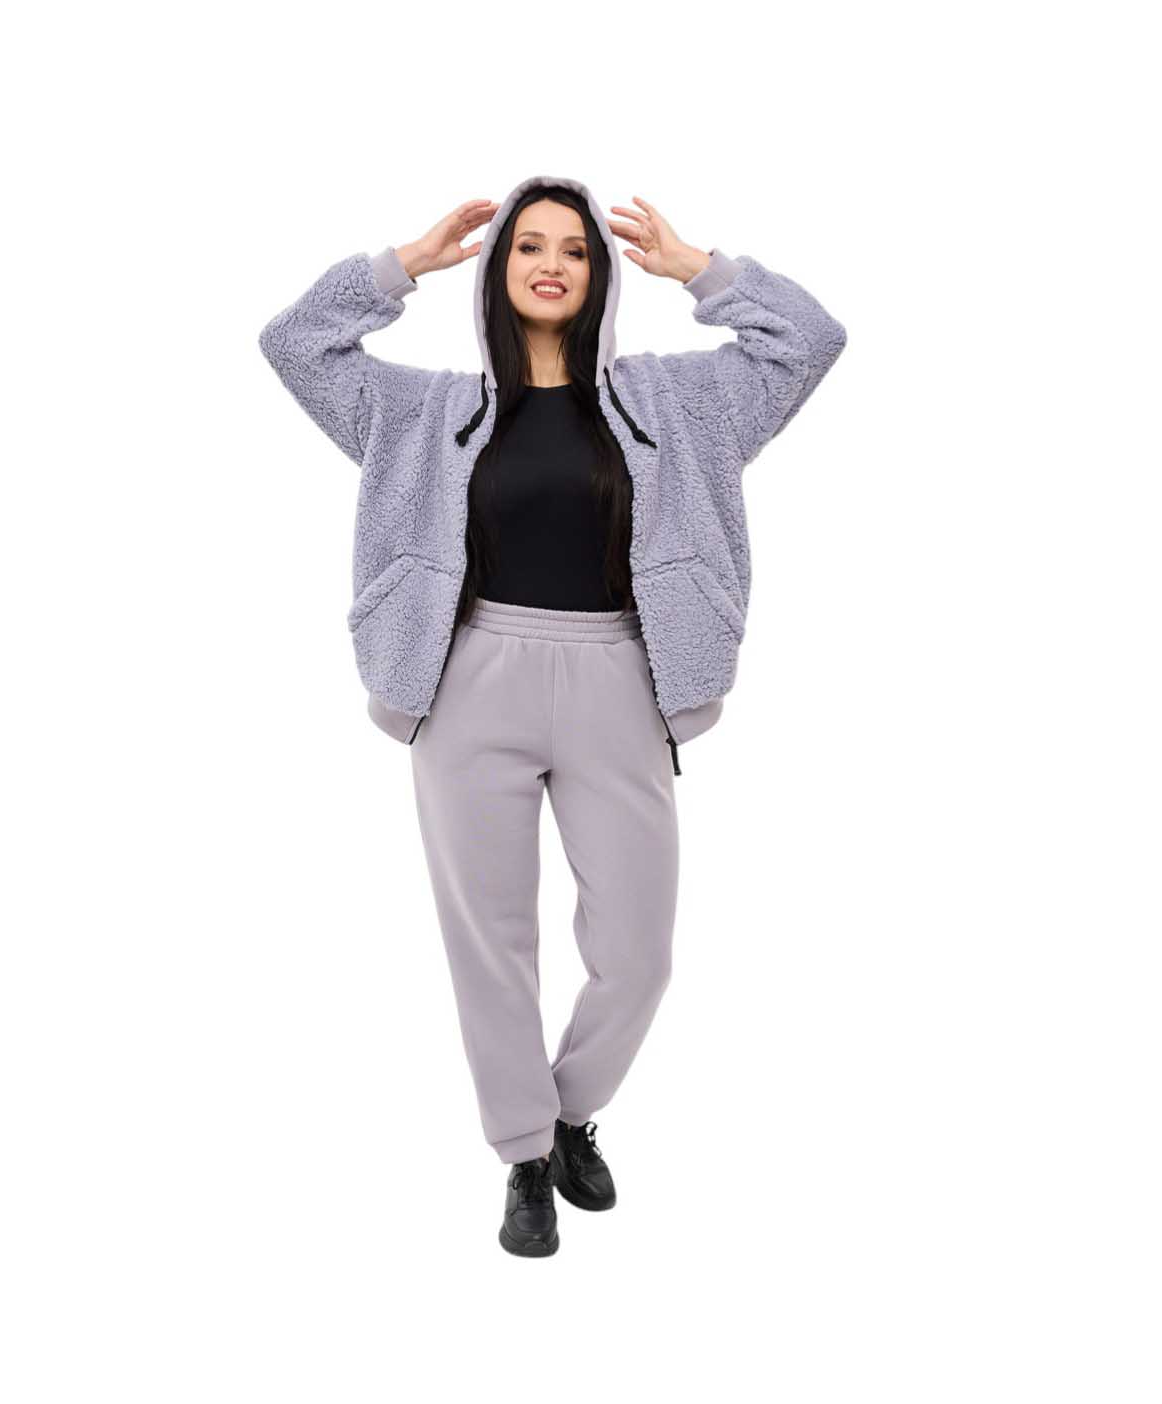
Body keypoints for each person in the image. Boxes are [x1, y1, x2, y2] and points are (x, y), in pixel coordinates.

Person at [258, 175, 847, 1257]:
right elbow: (295, 344)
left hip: (620, 679)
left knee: (639, 952)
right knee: (492, 943)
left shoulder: (677, 402)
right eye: (528, 246)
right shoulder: (421, 412)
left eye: (574, 250)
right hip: (469, 679)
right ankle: (525, 1155)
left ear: (600, 275)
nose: (551, 264)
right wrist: (402, 265)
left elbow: (810, 341)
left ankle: (569, 1112)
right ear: (496, 269)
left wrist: (701, 271)